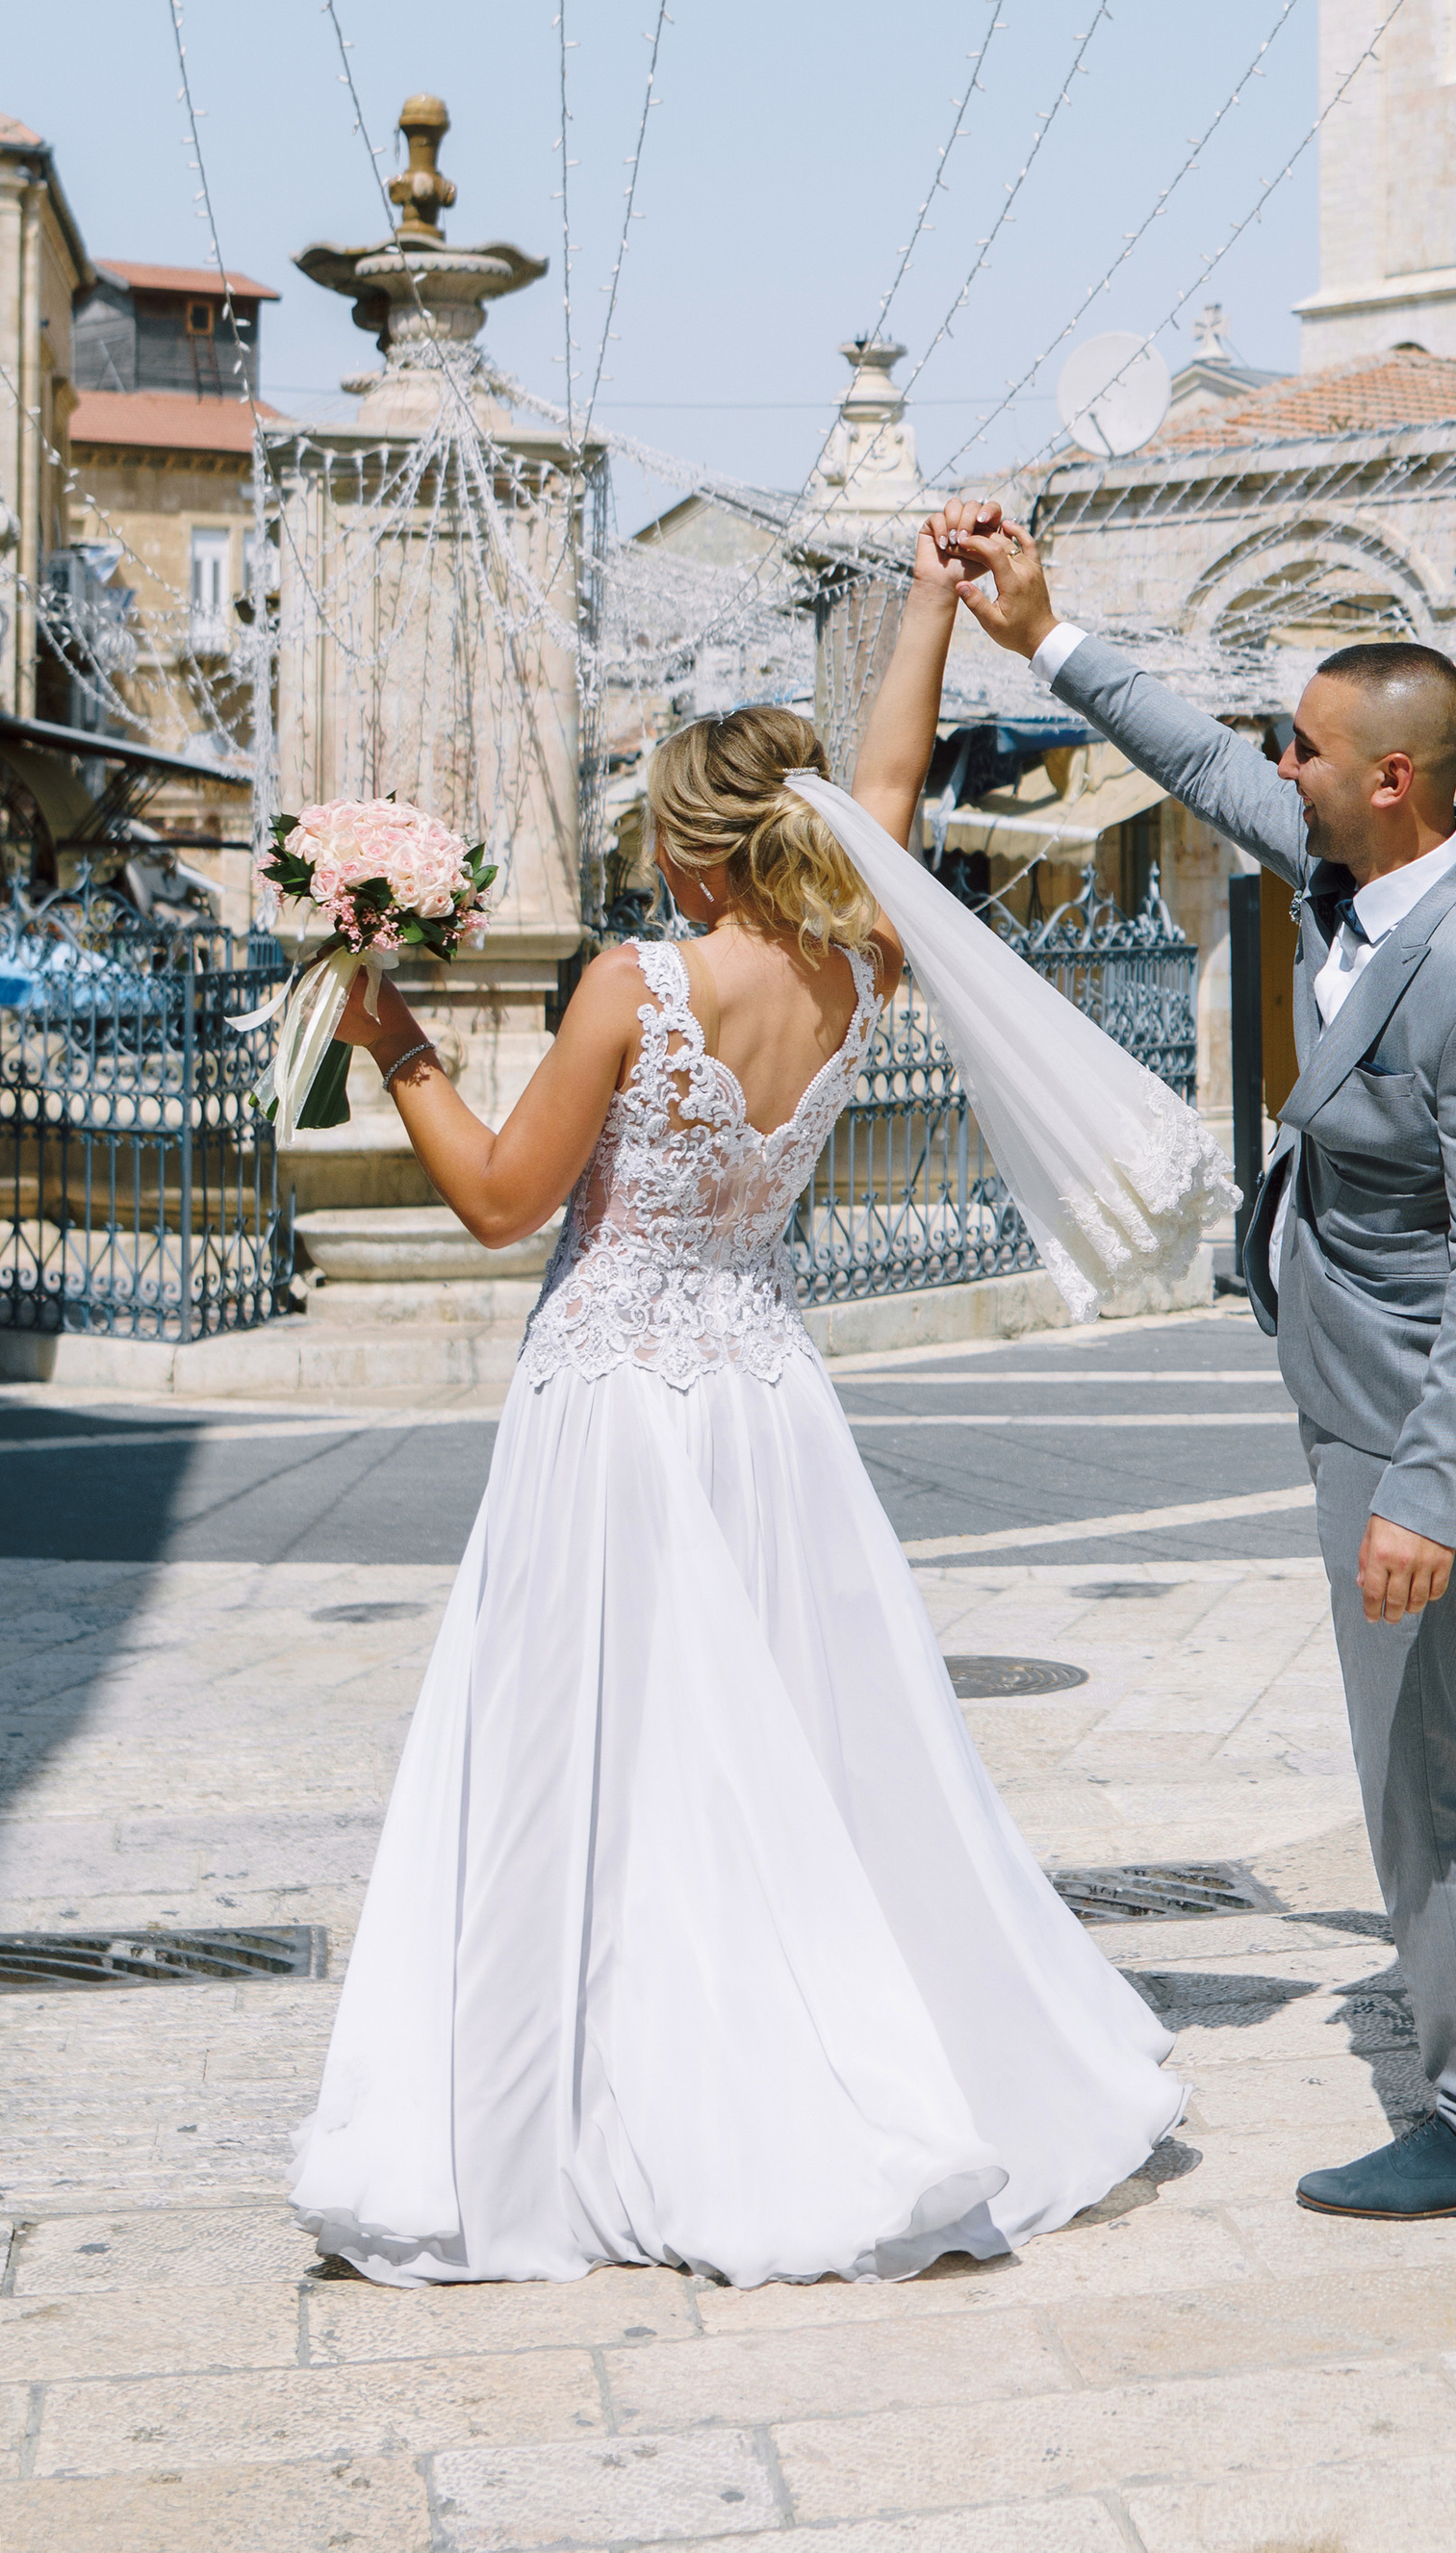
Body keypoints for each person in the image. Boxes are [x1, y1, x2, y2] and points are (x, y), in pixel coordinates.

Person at [290, 514, 1181, 2287]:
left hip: (617, 1409)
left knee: (608, 1758)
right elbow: (892, 785)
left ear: (692, 859)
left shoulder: (636, 984)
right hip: (768, 1399)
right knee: (802, 1748)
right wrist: (928, 601)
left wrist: (390, 1038)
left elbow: (495, 1202)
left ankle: (630, 2100)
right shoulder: (861, 967)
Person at [938, 512, 1456, 2224]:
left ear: (1393, 778)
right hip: (1359, 1372)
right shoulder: (1351, 866)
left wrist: (1424, 1487)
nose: (1283, 768)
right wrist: (1044, 635)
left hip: (1431, 1405)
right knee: (1450, 1725)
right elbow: (1196, 761)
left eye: (1310, 752)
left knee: (1417, 1765)